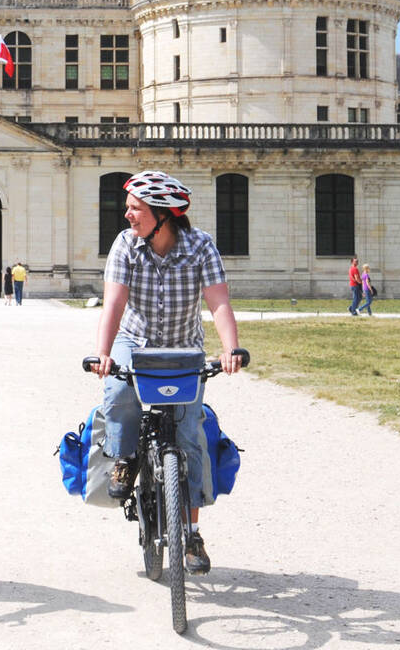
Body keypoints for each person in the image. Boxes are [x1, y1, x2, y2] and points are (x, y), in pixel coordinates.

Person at [92, 170, 245, 576]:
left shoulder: (199, 246)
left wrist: (230, 349)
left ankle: (192, 533)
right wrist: (103, 354)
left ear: (163, 215)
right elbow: (114, 305)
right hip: (135, 341)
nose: (127, 215)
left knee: (190, 434)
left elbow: (218, 305)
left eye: (135, 208)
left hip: (183, 348)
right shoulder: (126, 245)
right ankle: (125, 458)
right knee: (117, 392)